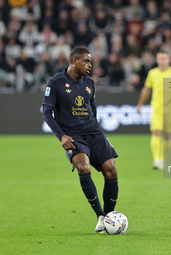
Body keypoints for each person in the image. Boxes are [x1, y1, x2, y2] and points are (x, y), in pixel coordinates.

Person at [42, 46, 119, 234]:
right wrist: (62, 136)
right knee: (83, 167)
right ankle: (100, 215)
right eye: (86, 61)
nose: (90, 65)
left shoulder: (89, 83)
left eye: (90, 61)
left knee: (111, 170)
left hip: (94, 132)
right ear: (74, 61)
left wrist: (102, 135)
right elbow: (47, 112)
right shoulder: (56, 82)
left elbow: (93, 110)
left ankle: (108, 219)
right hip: (73, 135)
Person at [137, 51, 171, 170]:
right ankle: (156, 159)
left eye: (165, 58)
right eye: (160, 58)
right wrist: (140, 104)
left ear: (169, 60)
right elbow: (147, 89)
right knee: (156, 132)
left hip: (170, 108)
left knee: (168, 135)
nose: (162, 61)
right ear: (157, 60)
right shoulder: (152, 73)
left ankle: (163, 158)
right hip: (157, 108)